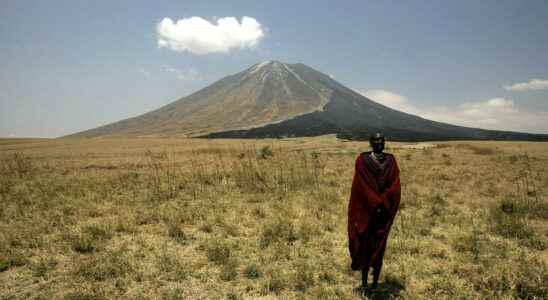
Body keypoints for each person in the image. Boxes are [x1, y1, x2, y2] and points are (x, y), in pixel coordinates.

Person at [347, 133, 401, 290]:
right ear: (370, 143)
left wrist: (384, 202)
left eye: (382, 140)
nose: (380, 142)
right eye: (376, 140)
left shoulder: (391, 161)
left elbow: (395, 185)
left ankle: (375, 284)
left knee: (380, 247)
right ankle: (364, 283)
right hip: (367, 212)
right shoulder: (362, 161)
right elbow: (360, 187)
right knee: (365, 247)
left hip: (383, 213)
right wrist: (375, 201)